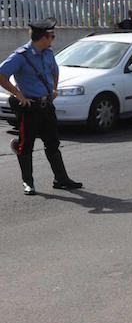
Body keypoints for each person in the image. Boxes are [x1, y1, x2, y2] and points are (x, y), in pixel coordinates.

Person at [0, 18, 82, 195]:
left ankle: (61, 179)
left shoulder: (48, 52)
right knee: (25, 145)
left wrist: (54, 88)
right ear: (44, 37)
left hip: (46, 106)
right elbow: (1, 74)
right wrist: (18, 94)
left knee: (53, 143)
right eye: (52, 36)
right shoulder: (21, 56)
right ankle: (28, 183)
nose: (53, 39)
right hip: (29, 108)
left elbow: (55, 70)